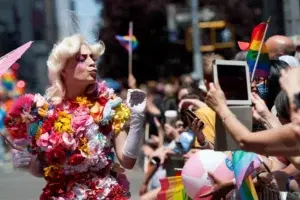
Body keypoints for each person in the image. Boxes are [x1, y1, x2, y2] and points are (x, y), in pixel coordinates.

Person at [5, 34, 147, 199]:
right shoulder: (44, 112)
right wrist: (26, 162)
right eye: (82, 58)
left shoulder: (109, 106)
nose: (92, 63)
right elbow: (42, 170)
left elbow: (127, 162)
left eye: (92, 58)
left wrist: (137, 118)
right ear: (63, 69)